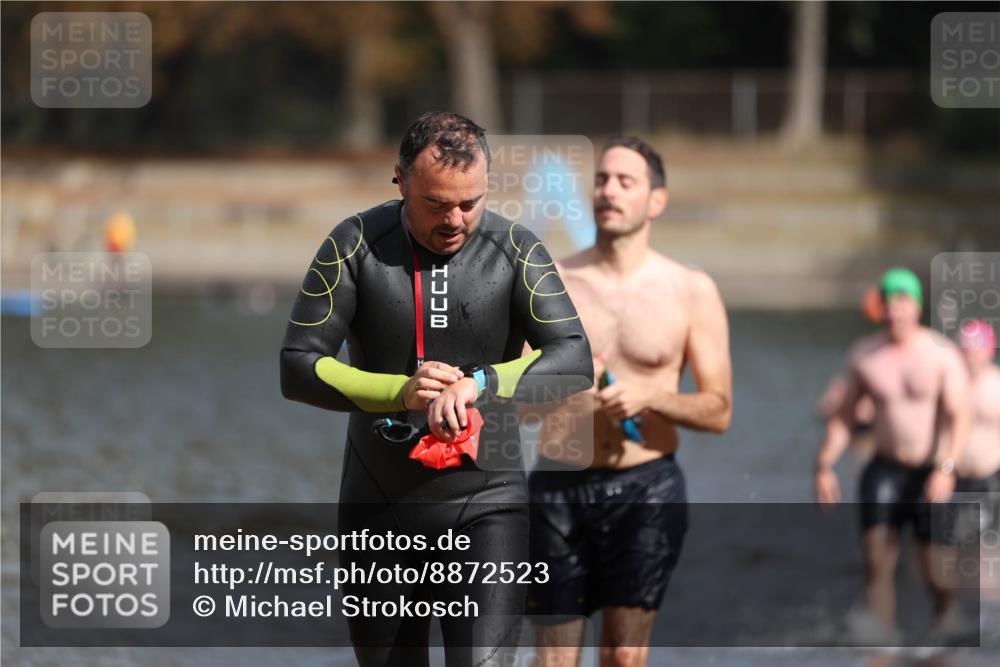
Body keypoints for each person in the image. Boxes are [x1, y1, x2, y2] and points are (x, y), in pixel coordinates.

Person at [280, 111, 593, 666]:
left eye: (469, 203)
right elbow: (299, 365)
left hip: (488, 505)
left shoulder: (517, 249)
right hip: (380, 507)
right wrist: (401, 392)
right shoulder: (353, 245)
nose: (454, 219)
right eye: (436, 204)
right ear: (400, 180)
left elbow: (574, 358)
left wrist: (482, 383)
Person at [525, 137, 732, 667]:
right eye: (600, 179)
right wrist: (560, 383)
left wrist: (653, 396)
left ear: (655, 201)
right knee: (553, 662)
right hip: (557, 485)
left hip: (646, 487)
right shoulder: (551, 283)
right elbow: (515, 404)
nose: (608, 190)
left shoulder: (690, 290)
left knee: (622, 657)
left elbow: (719, 410)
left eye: (625, 181)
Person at [814, 267, 971, 641]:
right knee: (876, 559)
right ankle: (881, 639)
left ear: (916, 306)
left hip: (931, 470)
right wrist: (824, 465)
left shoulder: (941, 354)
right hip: (884, 469)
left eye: (902, 301)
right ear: (879, 307)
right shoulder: (866, 356)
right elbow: (843, 418)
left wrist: (947, 468)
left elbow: (959, 416)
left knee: (935, 567)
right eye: (888, 301)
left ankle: (946, 618)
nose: (894, 310)